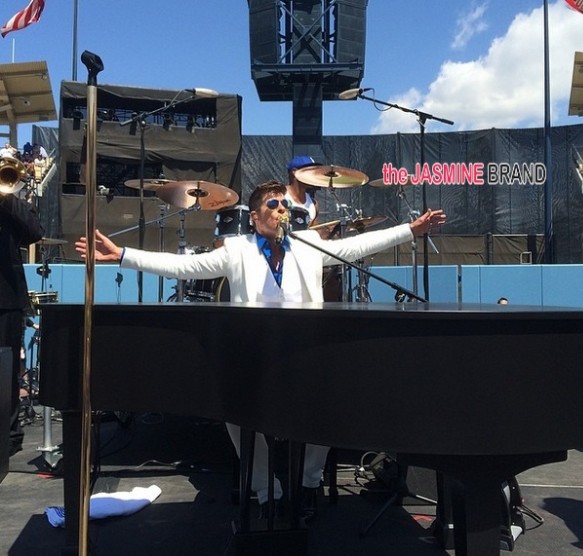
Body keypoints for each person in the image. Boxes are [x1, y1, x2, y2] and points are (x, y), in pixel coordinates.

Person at [75, 180, 446, 519]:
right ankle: (267, 491)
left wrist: (410, 230)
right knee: (235, 416)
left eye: (285, 205)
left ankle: (309, 483)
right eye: (274, 204)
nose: (283, 210)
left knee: (330, 406)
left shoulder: (307, 247)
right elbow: (184, 267)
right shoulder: (236, 250)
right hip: (254, 360)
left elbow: (356, 245)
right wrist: (123, 254)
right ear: (255, 217)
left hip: (305, 358)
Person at [0, 191, 43, 456]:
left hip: (5, 297)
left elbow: (34, 231)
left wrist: (6, 198)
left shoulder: (9, 205)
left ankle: (9, 435)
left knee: (6, 369)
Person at [284, 155, 321, 227]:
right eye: (309, 171)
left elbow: (315, 234)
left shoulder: (313, 204)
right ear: (294, 172)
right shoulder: (280, 196)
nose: (312, 175)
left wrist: (333, 231)